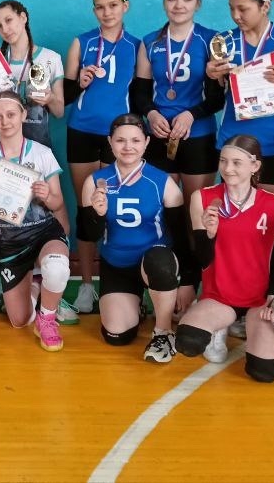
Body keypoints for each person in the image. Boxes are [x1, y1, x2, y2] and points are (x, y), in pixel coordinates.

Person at [205, 0, 274, 319]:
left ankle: (267, 300)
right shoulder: (223, 42)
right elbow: (214, 99)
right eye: (231, 9)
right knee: (231, 224)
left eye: (243, 9)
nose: (236, 16)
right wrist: (211, 77)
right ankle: (228, 298)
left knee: (270, 228)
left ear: (265, 7)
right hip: (233, 145)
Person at [132, 0, 224, 318]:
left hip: (198, 136)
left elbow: (217, 97)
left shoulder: (212, 40)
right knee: (164, 212)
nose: (179, 5)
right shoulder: (150, 42)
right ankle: (166, 283)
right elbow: (140, 92)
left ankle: (195, 285)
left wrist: (191, 114)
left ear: (198, 4)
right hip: (159, 136)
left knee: (195, 213)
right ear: (164, 3)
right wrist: (151, 113)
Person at [176, 135, 274, 382]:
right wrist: (209, 235)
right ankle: (220, 325)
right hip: (219, 296)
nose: (227, 169)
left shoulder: (273, 204)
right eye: (223, 161)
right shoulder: (203, 198)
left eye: (237, 162)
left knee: (264, 372)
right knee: (188, 342)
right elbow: (202, 259)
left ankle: (249, 324)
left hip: (258, 299)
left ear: (255, 166)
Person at [80, 115, 188, 363]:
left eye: (135, 140)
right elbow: (90, 235)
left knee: (158, 260)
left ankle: (163, 332)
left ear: (146, 142)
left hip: (156, 263)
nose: (128, 147)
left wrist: (187, 282)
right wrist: (97, 214)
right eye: (120, 140)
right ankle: (137, 305)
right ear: (110, 142)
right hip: (117, 265)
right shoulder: (95, 182)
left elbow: (181, 237)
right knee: (116, 335)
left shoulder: (162, 182)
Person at [0, 92, 71, 351]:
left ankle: (47, 319)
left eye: (11, 115)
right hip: (10, 239)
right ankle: (35, 285)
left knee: (57, 268)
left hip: (43, 231)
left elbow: (58, 203)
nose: (5, 122)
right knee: (19, 320)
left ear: (24, 115)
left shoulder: (42, 153)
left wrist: (46, 196)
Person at [64, 0, 139, 315]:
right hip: (82, 131)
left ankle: (115, 282)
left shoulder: (137, 46)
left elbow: (142, 96)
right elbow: (65, 95)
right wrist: (79, 82)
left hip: (118, 137)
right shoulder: (81, 42)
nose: (106, 12)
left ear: (125, 7)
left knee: (112, 207)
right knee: (86, 209)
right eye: (100, 7)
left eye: (113, 5)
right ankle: (85, 285)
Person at [0, 0, 65, 147]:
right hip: (2, 146)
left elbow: (59, 112)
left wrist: (50, 98)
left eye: (8, 20)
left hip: (37, 146)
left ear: (23, 17)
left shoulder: (51, 58)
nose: (5, 29)